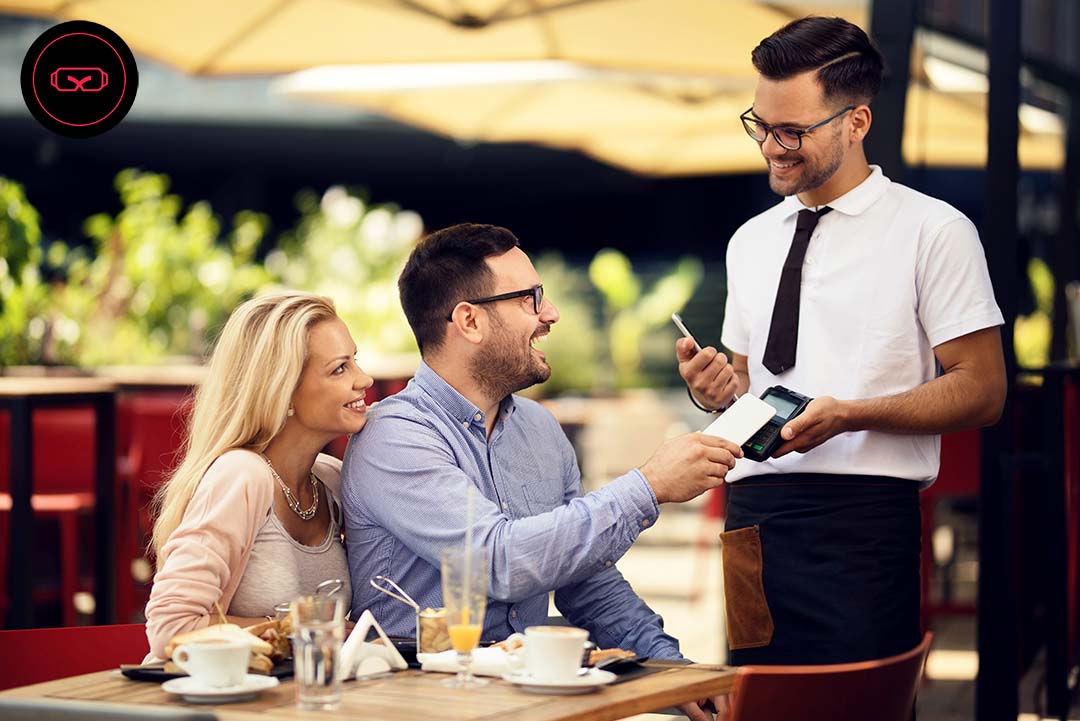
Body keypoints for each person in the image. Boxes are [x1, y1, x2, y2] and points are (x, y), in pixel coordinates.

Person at [677, 16, 1007, 666]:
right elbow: (746, 389)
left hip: (862, 523)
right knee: (760, 699)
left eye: (792, 130)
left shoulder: (934, 231)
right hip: (752, 515)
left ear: (857, 122)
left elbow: (984, 389)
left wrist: (852, 414)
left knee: (860, 702)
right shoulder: (749, 240)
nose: (771, 146)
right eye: (760, 125)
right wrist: (715, 391)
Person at [343, 223, 740, 721]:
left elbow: (586, 580)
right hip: (416, 706)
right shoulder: (394, 436)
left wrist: (671, 669)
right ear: (469, 321)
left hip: (528, 702)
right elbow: (498, 562)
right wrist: (649, 486)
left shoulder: (539, 428)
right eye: (530, 299)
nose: (550, 313)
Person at [144, 291, 373, 661]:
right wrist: (295, 629)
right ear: (284, 391)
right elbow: (170, 628)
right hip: (211, 690)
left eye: (355, 361)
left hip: (295, 690)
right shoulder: (241, 475)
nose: (364, 378)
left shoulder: (331, 480)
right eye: (339, 369)